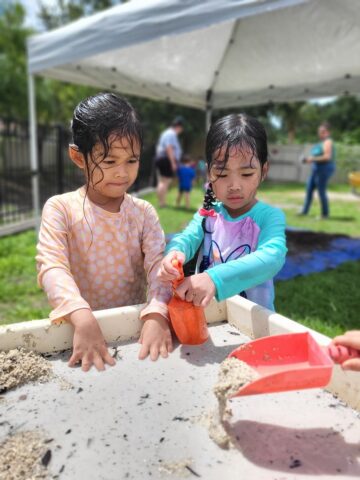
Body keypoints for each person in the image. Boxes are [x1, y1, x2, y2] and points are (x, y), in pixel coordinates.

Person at [36, 93, 172, 372]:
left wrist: (157, 312)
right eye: (109, 162)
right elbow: (52, 266)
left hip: (133, 328)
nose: (122, 173)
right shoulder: (61, 208)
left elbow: (159, 267)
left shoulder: (143, 212)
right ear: (78, 157)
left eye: (131, 160)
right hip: (80, 328)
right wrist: (81, 315)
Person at [158, 113, 287, 311]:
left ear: (264, 170)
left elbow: (272, 257)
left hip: (254, 322)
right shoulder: (207, 214)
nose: (234, 185)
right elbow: (185, 239)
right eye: (222, 173)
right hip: (209, 317)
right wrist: (174, 253)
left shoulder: (268, 217)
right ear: (209, 173)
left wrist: (214, 278)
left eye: (246, 174)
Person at [300, 122, 336, 218]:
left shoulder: (328, 142)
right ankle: (304, 211)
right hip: (316, 169)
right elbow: (317, 156)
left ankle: (325, 214)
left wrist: (312, 159)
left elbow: (327, 157)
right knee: (309, 189)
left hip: (324, 169)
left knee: (321, 191)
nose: (321, 133)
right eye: (320, 131)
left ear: (328, 133)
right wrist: (308, 160)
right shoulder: (320, 143)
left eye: (323, 131)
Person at [155, 116, 184, 207]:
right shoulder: (171, 134)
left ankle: (161, 202)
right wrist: (173, 163)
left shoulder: (166, 133)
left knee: (162, 181)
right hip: (166, 159)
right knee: (165, 181)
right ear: (179, 127)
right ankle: (162, 203)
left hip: (162, 158)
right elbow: (169, 148)